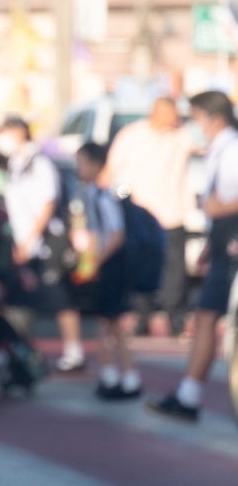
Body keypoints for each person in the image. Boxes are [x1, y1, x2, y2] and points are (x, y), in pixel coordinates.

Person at [149, 91, 238, 421]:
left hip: (232, 244)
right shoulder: (219, 149)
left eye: (195, 118)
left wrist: (219, 209)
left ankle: (190, 395)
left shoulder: (231, 149)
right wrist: (209, 243)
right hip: (223, 243)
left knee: (207, 316)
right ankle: (189, 394)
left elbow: (226, 201)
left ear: (214, 119)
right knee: (205, 316)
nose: (191, 126)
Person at [0, 117, 84, 372]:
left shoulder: (40, 163)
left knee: (61, 299)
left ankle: (74, 352)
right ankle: (20, 351)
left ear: (19, 132)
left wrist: (31, 239)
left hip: (44, 243)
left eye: (5, 133)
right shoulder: (15, 164)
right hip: (22, 243)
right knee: (16, 302)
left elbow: (48, 204)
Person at [99, 97, 193, 336]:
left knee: (175, 271)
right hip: (141, 212)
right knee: (142, 269)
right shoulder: (131, 136)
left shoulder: (181, 135)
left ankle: (176, 319)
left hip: (173, 211)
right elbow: (110, 171)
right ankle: (142, 318)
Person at [76, 143, 143, 399]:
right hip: (107, 263)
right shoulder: (94, 194)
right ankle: (120, 376)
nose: (79, 170)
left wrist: (95, 261)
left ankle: (120, 377)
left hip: (111, 265)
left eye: (81, 164)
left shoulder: (104, 197)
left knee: (109, 324)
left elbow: (115, 236)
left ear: (95, 165)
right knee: (109, 324)